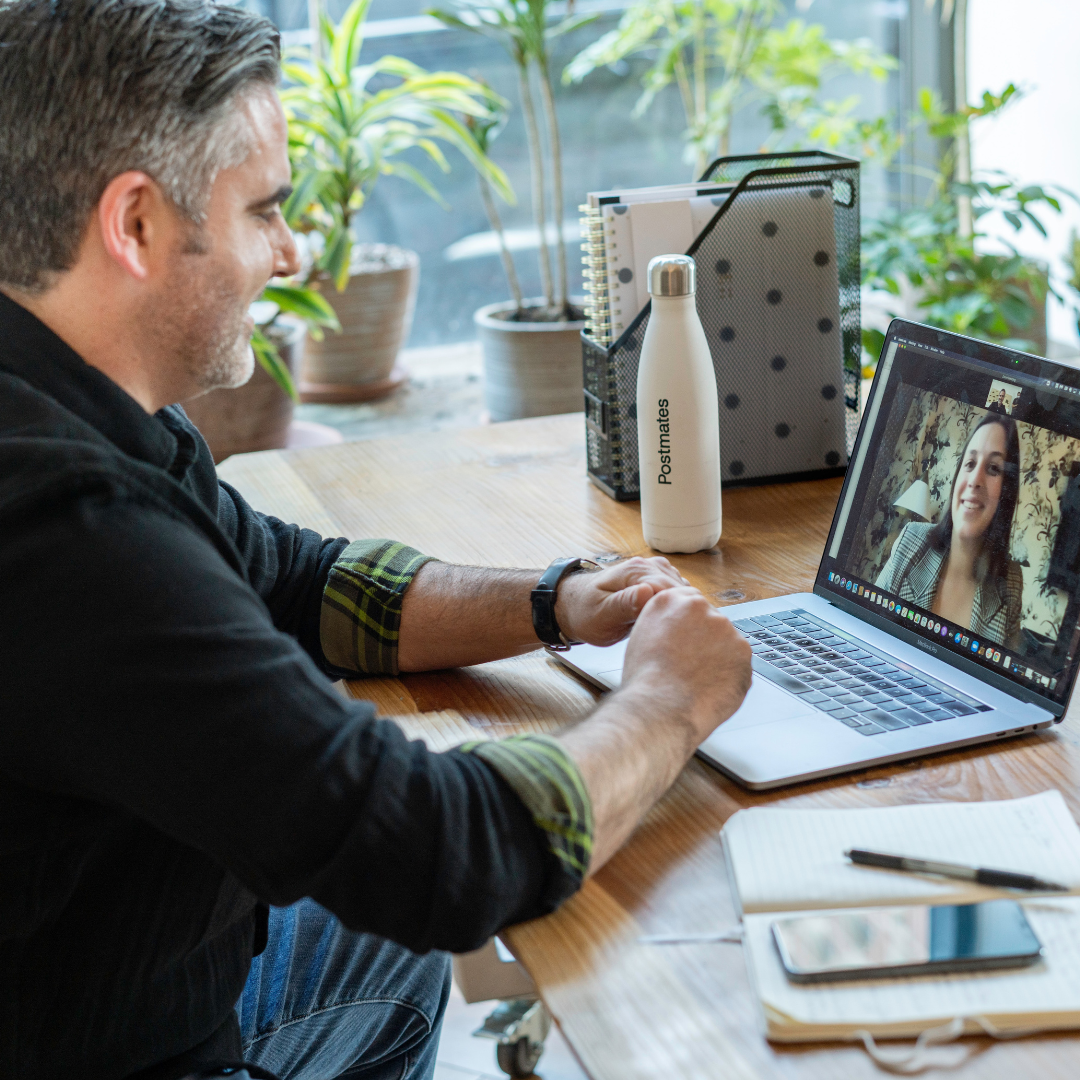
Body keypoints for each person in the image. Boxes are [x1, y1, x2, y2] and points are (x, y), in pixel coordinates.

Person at [0, 2, 752, 1078]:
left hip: (96, 969)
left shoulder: (78, 408)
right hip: (112, 1047)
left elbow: (297, 581)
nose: (289, 248)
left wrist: (555, 599)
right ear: (135, 225)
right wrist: (669, 703)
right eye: (263, 210)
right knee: (430, 906)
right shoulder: (71, 534)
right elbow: (444, 855)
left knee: (382, 945)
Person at [876, 413, 1023, 647]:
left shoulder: (1011, 582)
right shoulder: (911, 540)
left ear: (1006, 492)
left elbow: (1001, 677)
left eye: (994, 468)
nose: (975, 480)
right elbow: (867, 625)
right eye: (970, 463)